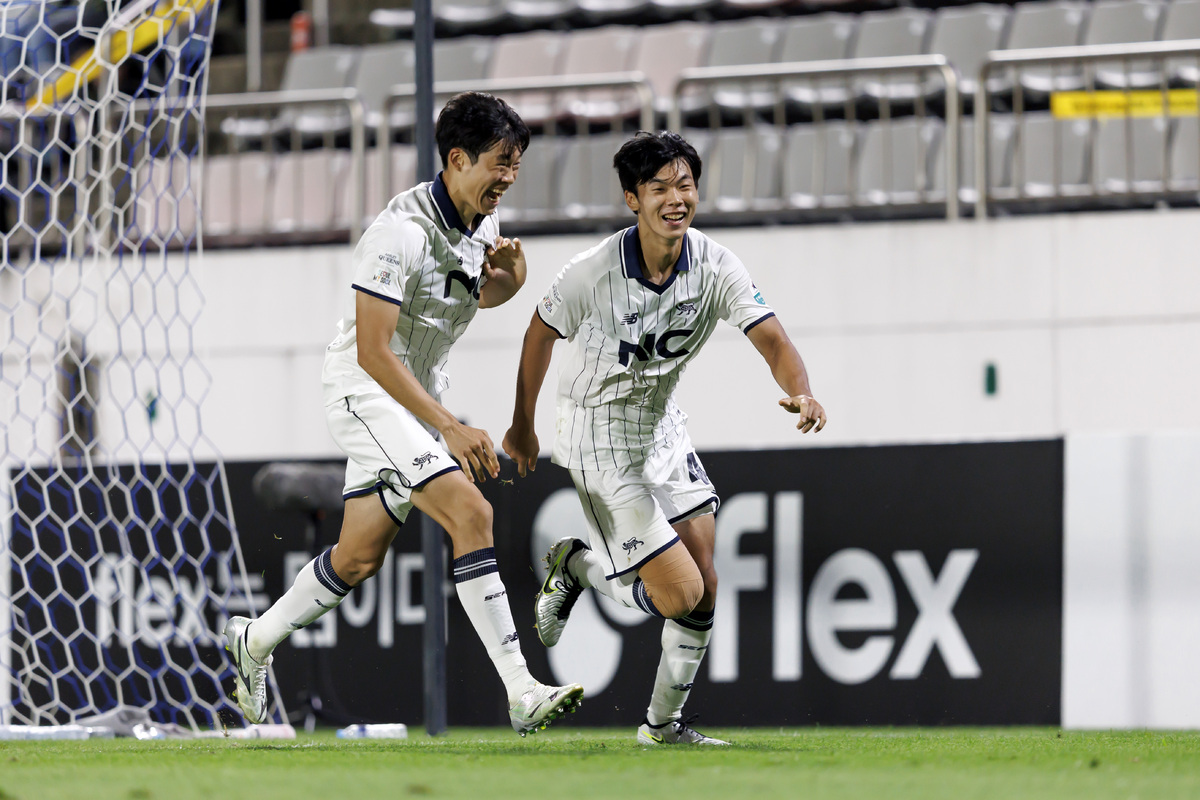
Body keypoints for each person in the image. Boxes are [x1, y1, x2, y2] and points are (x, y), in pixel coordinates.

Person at [224, 92, 583, 736]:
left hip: (416, 401)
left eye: (516, 164)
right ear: (456, 158)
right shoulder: (397, 234)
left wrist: (515, 281)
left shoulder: (482, 226)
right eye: (500, 162)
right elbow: (372, 351)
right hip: (366, 391)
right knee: (472, 511)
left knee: (359, 556)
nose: (508, 176)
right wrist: (447, 424)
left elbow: (471, 293)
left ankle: (254, 640)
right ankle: (522, 689)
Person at [502, 131, 826, 745]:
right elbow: (538, 335)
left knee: (705, 585)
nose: (676, 199)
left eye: (685, 185)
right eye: (659, 188)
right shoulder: (592, 272)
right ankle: (578, 567)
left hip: (660, 424)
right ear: (632, 199)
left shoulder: (715, 264)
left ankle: (663, 729)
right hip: (596, 434)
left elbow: (775, 340)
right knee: (679, 594)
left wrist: (802, 390)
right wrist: (523, 425)